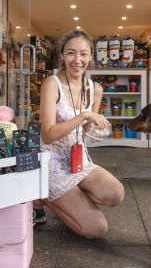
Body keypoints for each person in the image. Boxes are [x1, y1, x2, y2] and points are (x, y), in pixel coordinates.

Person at [35, 30, 124, 239]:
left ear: (91, 56)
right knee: (96, 229)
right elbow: (47, 135)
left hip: (77, 160)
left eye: (83, 54)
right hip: (52, 162)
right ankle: (42, 197)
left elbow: (85, 130)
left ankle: (72, 196)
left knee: (115, 193)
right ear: (62, 55)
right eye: (71, 53)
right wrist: (84, 115)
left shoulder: (96, 89)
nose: (77, 60)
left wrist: (95, 128)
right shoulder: (51, 85)